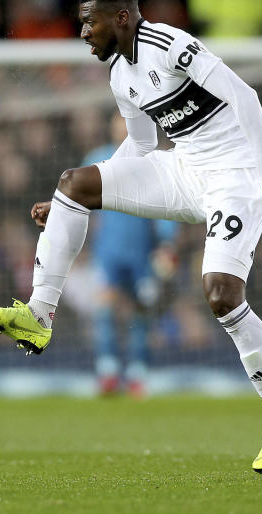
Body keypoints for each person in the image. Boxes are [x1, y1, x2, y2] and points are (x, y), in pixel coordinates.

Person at [0, 0, 262, 473]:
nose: (83, 33)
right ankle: (38, 316)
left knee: (222, 293)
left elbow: (244, 97)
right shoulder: (120, 74)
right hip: (183, 169)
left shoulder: (168, 44)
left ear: (121, 17)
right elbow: (139, 147)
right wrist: (80, 199)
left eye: (89, 22)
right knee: (74, 182)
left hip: (237, 176)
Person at [82, 115, 180, 398]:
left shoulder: (154, 162)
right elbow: (81, 206)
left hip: (142, 254)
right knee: (104, 309)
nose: (123, 128)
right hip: (108, 252)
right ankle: (108, 371)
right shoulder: (98, 158)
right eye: (118, 123)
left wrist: (166, 243)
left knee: (142, 311)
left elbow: (167, 205)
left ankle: (137, 373)